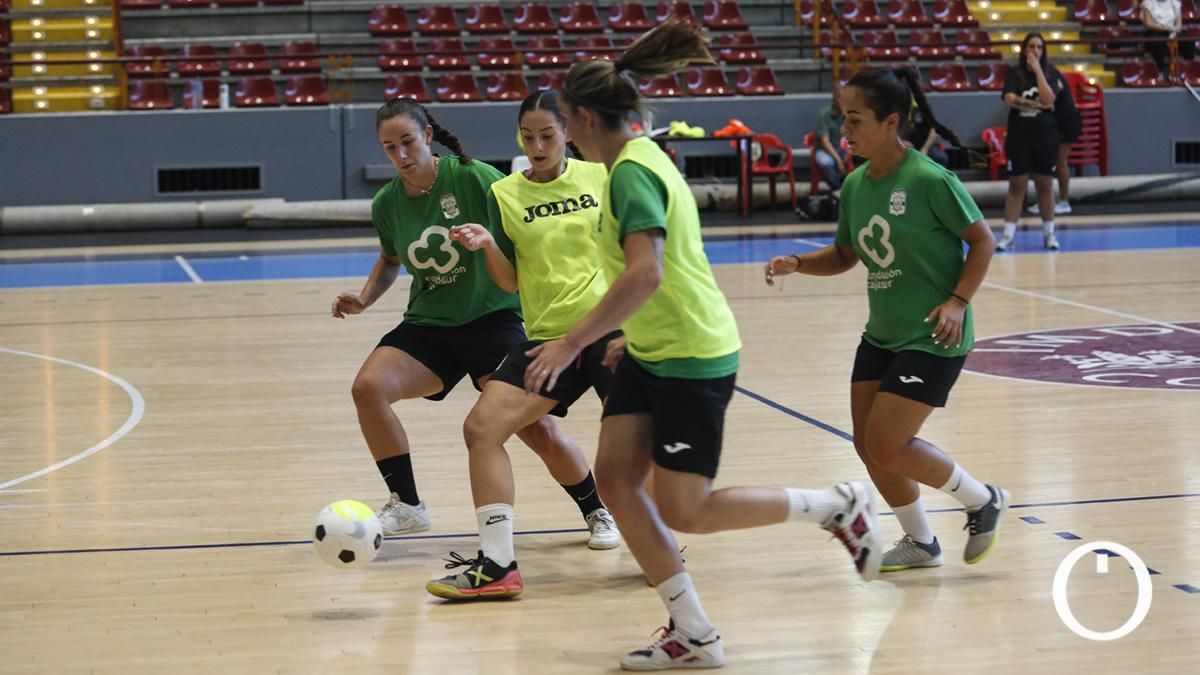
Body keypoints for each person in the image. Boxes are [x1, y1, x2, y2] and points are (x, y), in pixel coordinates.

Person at [527, 21, 883, 670]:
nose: (562, 135)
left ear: (581, 117)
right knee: (615, 478)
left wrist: (573, 340)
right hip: (651, 349)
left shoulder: (632, 173)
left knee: (685, 507)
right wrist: (628, 338)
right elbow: (648, 279)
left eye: (564, 123)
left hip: (693, 353)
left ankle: (837, 505)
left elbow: (648, 271)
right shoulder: (627, 163)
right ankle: (692, 629)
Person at [765, 67, 1011, 578]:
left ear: (891, 120)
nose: (844, 131)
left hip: (933, 334)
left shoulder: (929, 179)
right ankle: (921, 541)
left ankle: (982, 499)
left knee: (887, 443)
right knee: (866, 443)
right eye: (842, 120)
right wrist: (800, 263)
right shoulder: (855, 184)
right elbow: (846, 254)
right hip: (882, 334)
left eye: (854, 120)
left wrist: (959, 301)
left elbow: (983, 240)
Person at [332, 98, 610, 549]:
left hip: (492, 320)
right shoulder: (387, 202)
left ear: (427, 135)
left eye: (407, 142)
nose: (401, 155)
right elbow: (389, 259)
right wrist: (364, 299)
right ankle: (407, 503)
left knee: (533, 428)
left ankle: (596, 509)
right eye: (389, 147)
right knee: (368, 387)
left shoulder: (475, 177)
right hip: (430, 323)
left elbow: (524, 223)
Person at [424, 91, 623, 601]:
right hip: (549, 339)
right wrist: (488, 245)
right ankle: (497, 564)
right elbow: (511, 283)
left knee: (630, 450)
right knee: (482, 427)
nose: (537, 146)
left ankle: (653, 541)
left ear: (568, 134)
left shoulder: (601, 176)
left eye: (548, 136)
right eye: (527, 136)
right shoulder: (506, 194)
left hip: (613, 331)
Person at [996, 33, 1065, 251]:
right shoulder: (1014, 74)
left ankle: (1049, 234)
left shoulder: (1051, 73)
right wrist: (1035, 106)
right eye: (1031, 46)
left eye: (1039, 47)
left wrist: (1037, 71)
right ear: (1024, 49)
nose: (1034, 51)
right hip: (1020, 136)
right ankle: (1008, 235)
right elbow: (1010, 99)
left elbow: (1049, 98)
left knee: (1045, 184)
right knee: (1017, 184)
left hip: (1045, 136)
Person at [1028, 71, 1082, 217]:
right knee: (1046, 162)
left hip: (1066, 122)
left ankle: (1064, 201)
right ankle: (1046, 200)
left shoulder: (1051, 75)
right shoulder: (1036, 76)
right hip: (1053, 123)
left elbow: (1049, 100)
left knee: (1060, 161)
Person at [1142, 0, 1195, 78]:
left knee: (1188, 41)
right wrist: (1166, 28)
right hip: (1155, 31)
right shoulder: (1148, 3)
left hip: (1172, 31)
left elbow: (1179, 25)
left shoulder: (1175, 3)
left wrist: (1174, 30)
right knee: (1156, 42)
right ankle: (1161, 71)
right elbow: (1148, 23)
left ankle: (1189, 69)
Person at [814, 89, 849, 194]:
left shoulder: (848, 116)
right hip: (826, 150)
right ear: (833, 99)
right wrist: (838, 160)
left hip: (844, 150)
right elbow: (824, 141)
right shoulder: (824, 115)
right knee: (826, 163)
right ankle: (838, 191)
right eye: (839, 97)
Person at [902, 101, 950, 168]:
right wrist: (901, 142)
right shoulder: (898, 108)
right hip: (904, 146)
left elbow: (934, 130)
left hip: (926, 145)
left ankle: (936, 178)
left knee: (941, 158)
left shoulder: (924, 107)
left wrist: (925, 149)